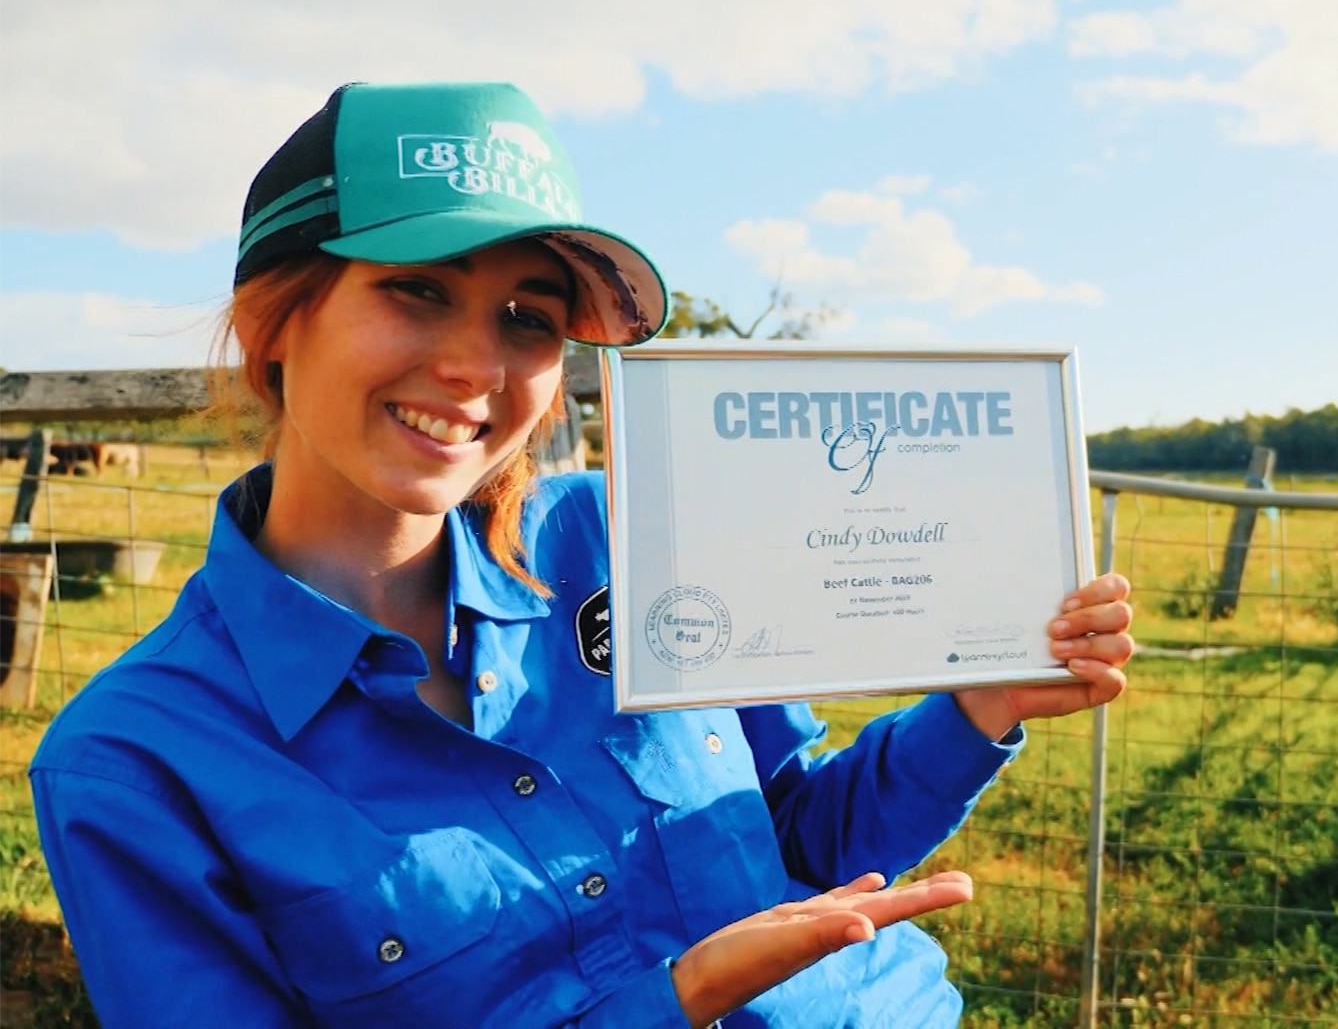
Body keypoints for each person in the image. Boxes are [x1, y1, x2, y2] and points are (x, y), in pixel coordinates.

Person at [28, 81, 1134, 1027]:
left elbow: (795, 836)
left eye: (527, 316)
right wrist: (673, 1001)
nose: (476, 364)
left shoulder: (625, 536)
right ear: (279, 321)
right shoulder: (137, 764)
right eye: (417, 288)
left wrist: (981, 704)